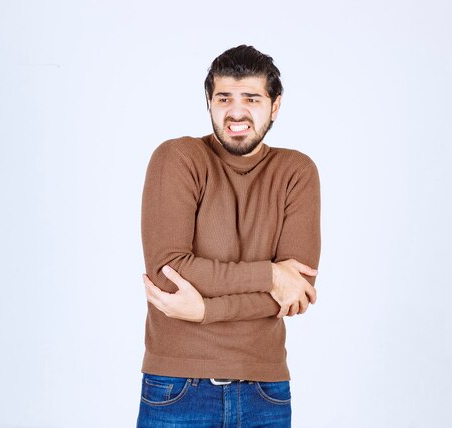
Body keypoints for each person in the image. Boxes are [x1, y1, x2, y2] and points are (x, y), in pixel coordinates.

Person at [137, 45, 321, 428]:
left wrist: (206, 310)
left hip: (265, 390)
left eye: (252, 98)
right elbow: (169, 273)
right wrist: (270, 275)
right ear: (209, 102)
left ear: (275, 105)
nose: (236, 112)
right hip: (178, 387)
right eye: (224, 98)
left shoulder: (296, 172)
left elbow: (296, 292)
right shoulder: (178, 158)